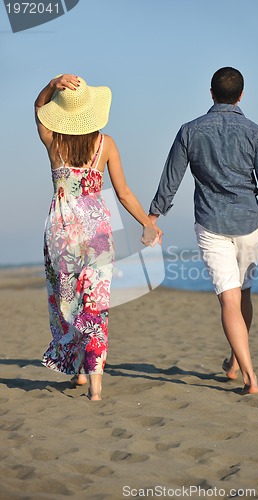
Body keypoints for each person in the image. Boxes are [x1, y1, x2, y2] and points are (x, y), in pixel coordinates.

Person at [148, 67, 258, 394]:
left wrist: (153, 218)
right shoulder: (256, 132)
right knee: (242, 294)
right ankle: (235, 363)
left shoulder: (190, 130)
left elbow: (170, 179)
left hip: (211, 224)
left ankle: (248, 375)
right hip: (250, 225)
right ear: (241, 95)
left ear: (211, 93)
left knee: (229, 300)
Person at [35, 74, 161, 401]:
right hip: (97, 231)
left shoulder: (53, 141)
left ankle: (76, 366)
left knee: (67, 303)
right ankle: (95, 385)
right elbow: (124, 193)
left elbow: (37, 107)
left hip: (61, 230)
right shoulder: (106, 144)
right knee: (95, 304)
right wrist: (147, 222)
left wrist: (52, 84)